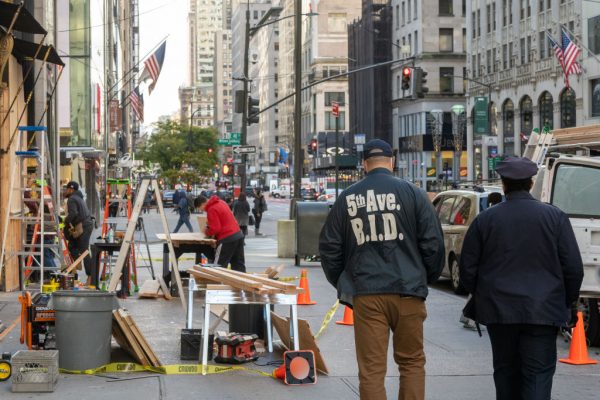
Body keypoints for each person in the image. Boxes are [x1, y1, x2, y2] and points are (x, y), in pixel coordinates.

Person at [319, 139, 445, 400]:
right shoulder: (414, 194)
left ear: (364, 165)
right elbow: (433, 244)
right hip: (409, 290)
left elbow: (330, 248)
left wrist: (345, 282)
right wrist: (424, 278)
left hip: (367, 293)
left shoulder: (347, 198)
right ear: (393, 162)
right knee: (411, 363)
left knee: (372, 370)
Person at [459, 157, 584, 400]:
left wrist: (481, 295)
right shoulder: (555, 217)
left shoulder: (485, 220)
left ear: (503, 185)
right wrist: (568, 303)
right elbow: (573, 268)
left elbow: (467, 269)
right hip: (543, 311)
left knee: (505, 373)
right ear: (531, 183)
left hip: (499, 311)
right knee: (538, 376)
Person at [195, 195, 245, 271]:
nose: (202, 211)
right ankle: (242, 282)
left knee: (218, 268)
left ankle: (217, 283)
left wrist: (206, 231)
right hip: (238, 235)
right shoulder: (221, 202)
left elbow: (215, 229)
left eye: (200, 209)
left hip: (227, 239)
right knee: (238, 265)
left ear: (202, 204)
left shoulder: (211, 209)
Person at [63, 181, 93, 284]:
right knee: (72, 245)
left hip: (84, 226)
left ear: (71, 190)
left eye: (66, 189)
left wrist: (65, 221)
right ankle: (77, 264)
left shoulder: (71, 199)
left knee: (84, 251)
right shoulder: (79, 198)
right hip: (85, 224)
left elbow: (74, 213)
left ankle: (91, 276)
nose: (65, 191)